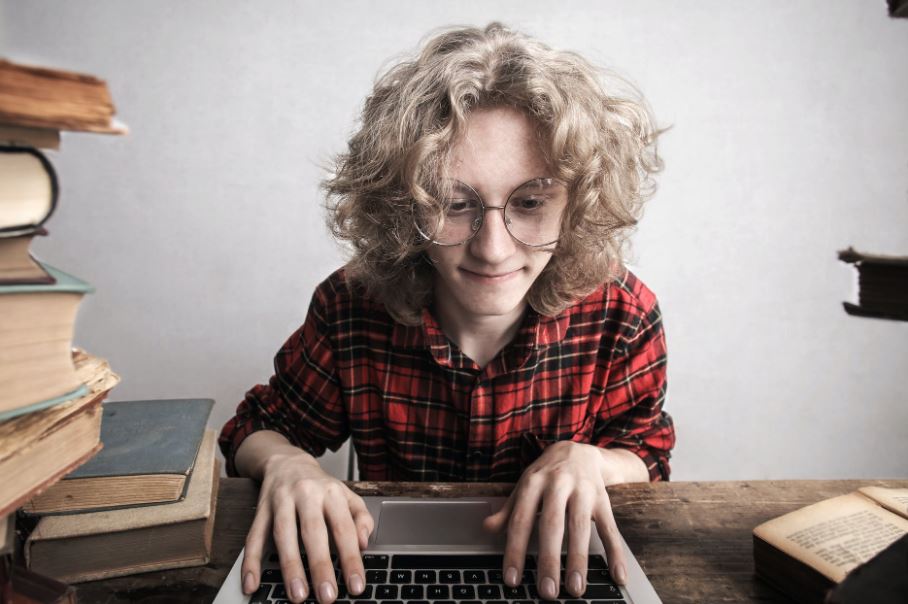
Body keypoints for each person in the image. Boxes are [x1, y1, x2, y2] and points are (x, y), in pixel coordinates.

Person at [219, 22, 675, 604]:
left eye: (531, 203)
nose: (492, 247)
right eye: (454, 204)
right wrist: (285, 464)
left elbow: (647, 452)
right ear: (402, 203)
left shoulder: (622, 314)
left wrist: (595, 464)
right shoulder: (350, 307)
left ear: (578, 202)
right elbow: (254, 430)